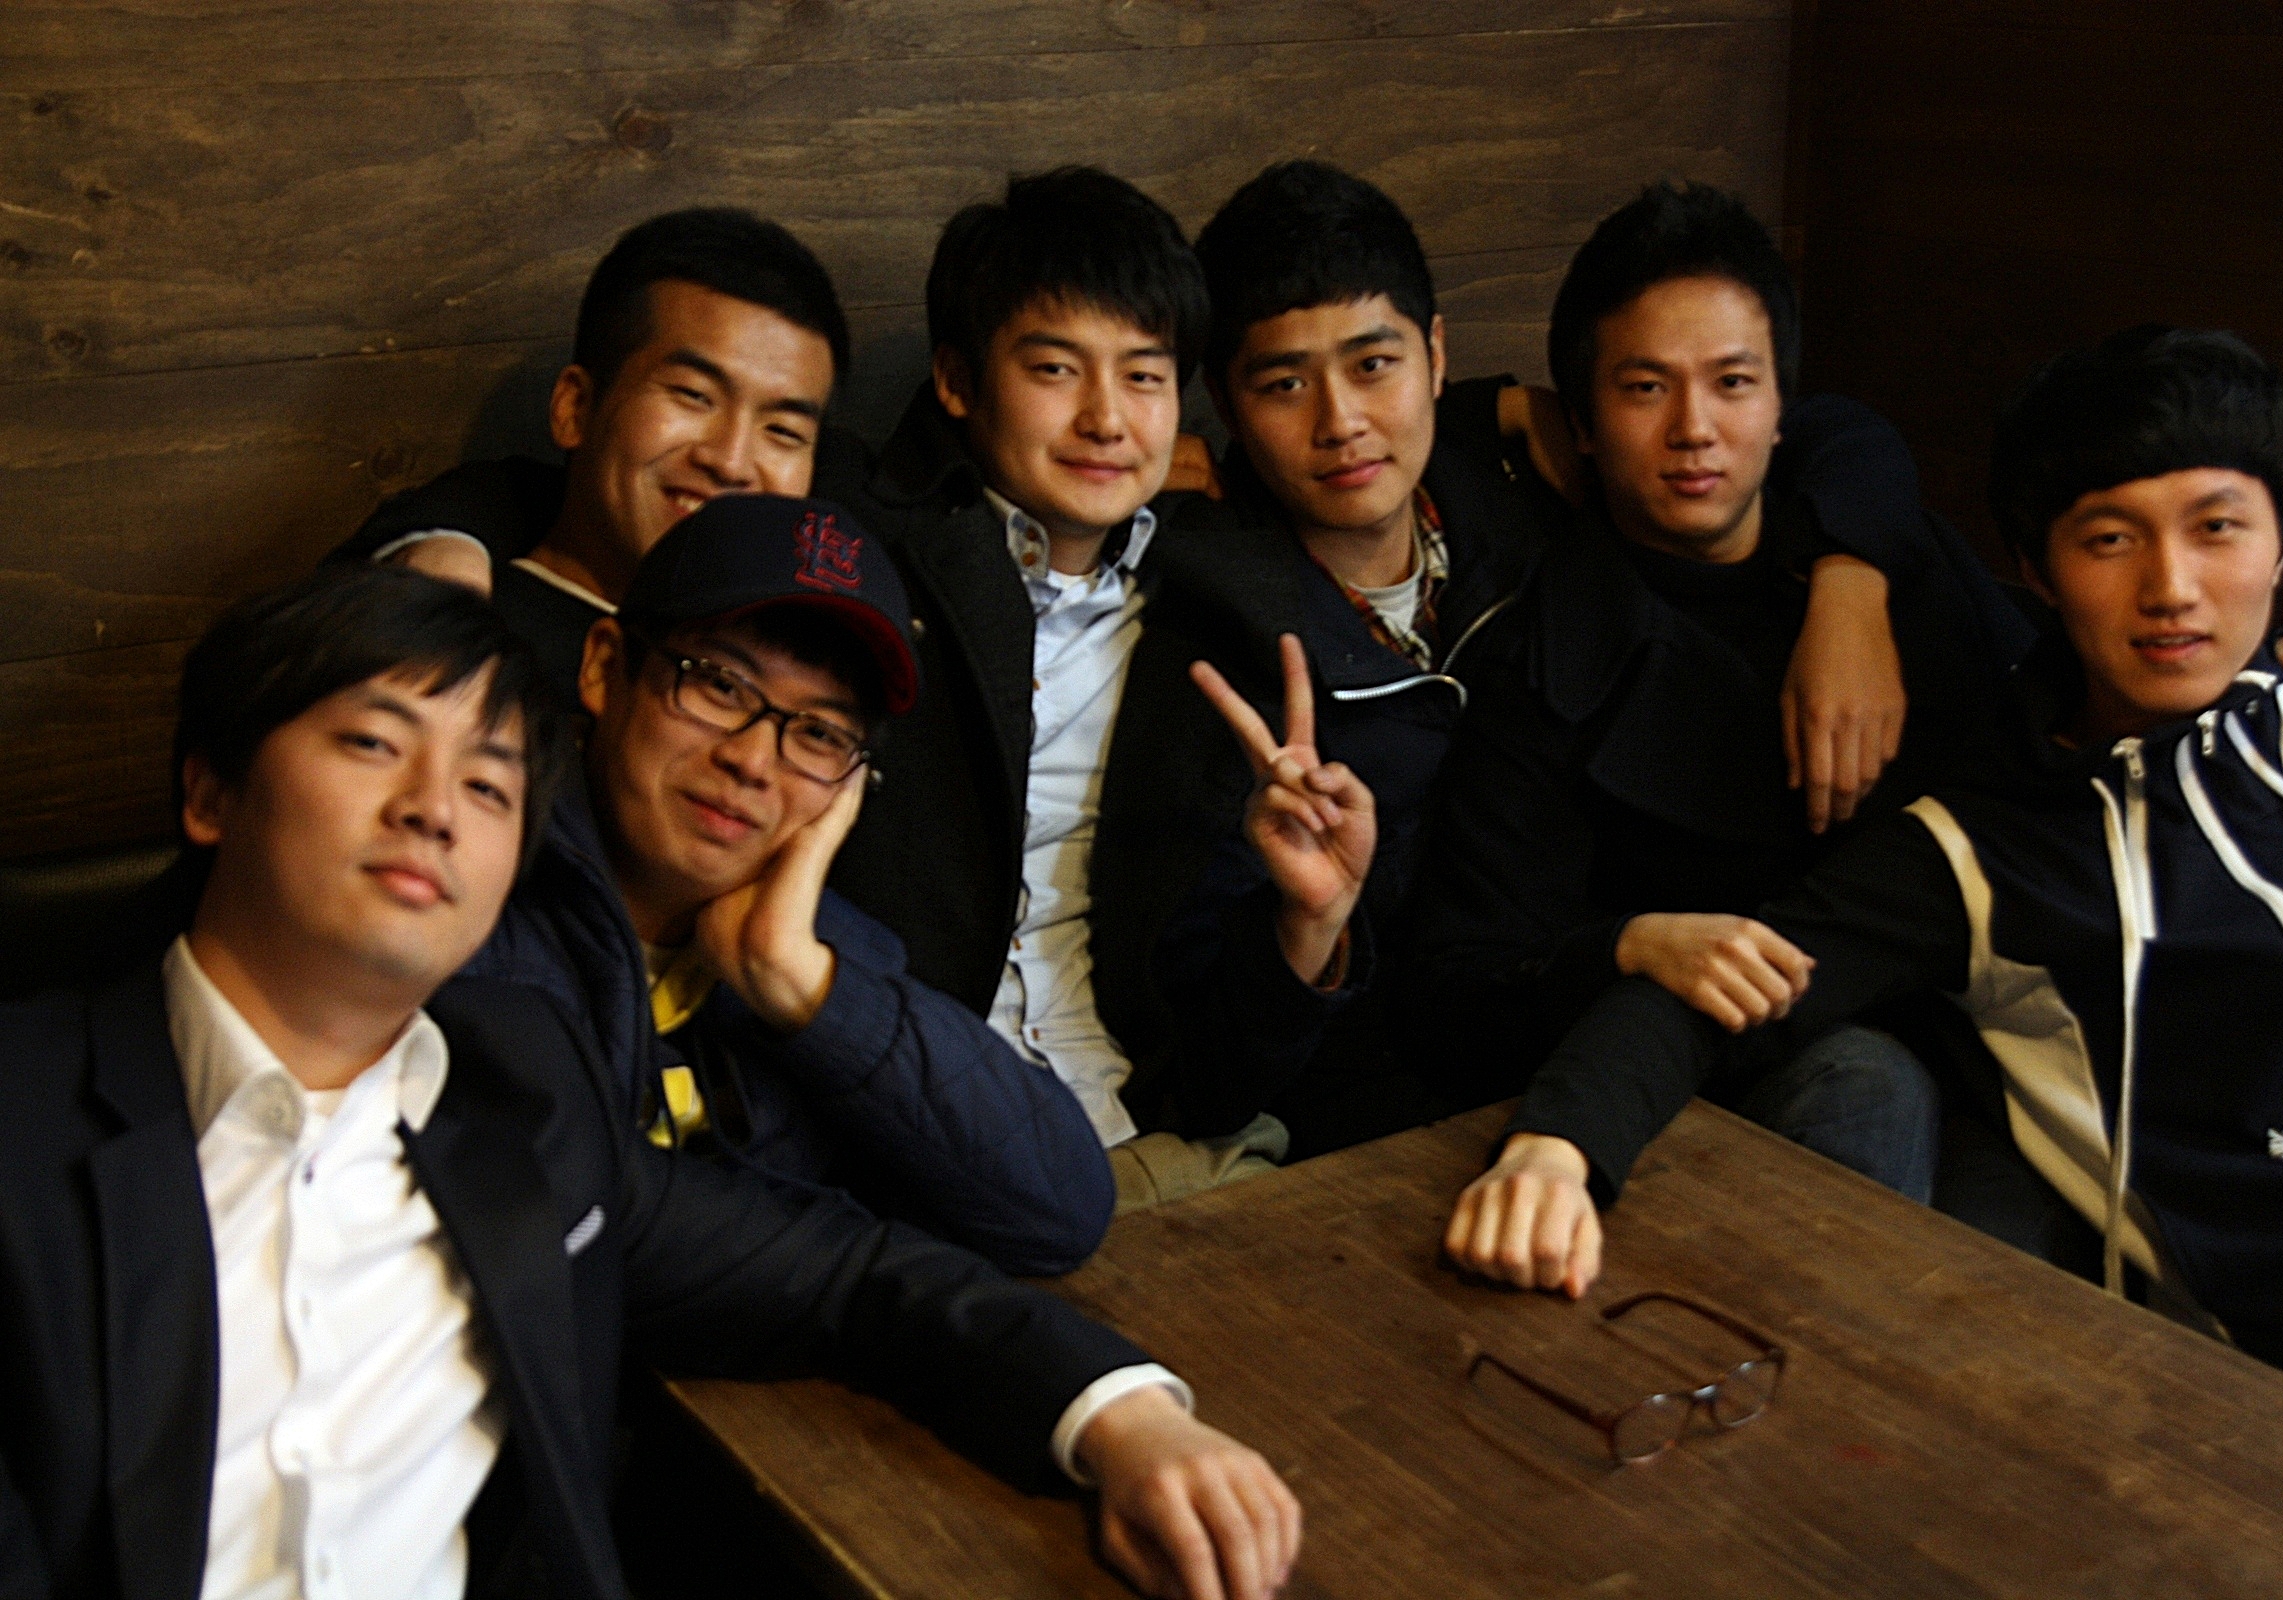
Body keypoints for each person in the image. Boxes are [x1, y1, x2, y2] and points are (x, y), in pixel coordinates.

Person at [0, 565, 1302, 1600]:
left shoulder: (519, 1099)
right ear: (211, 789)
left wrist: (1126, 1418)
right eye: (372, 744)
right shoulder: (33, 1122)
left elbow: (854, 1277)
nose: (436, 807)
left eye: (489, 782)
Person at [1443, 327, 2283, 1426]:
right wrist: (1558, 1151)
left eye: (2217, 528)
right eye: (2110, 540)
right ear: (2037, 571)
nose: (2171, 588)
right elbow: (1723, 986)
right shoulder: (1976, 852)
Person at [1161, 159, 1971, 1158]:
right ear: (1226, 403)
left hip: (1596, 1024)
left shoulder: (1508, 508)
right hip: (1392, 1081)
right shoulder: (1219, 634)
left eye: (1374, 366)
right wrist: (1308, 932)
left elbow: (1828, 428)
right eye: (1285, 384)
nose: (1342, 422)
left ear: (1435, 355)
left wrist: (1853, 582)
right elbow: (1203, 1049)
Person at [461, 492, 1114, 1274]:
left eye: (819, 733)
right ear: (605, 668)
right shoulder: (466, 890)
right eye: (720, 685)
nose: (752, 760)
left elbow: (1062, 1211)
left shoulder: (815, 949)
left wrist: (803, 985)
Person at [827, 166, 1305, 1209]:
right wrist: (460, 540)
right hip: (911, 1153)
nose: (1107, 419)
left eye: (1144, 376)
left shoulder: (1217, 609)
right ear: (958, 380)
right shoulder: (868, 553)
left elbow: (1229, 1046)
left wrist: (1313, 927)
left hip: (1151, 1137)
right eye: (1056, 369)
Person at [326, 207, 871, 701]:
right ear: (575, 407)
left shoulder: (828, 668)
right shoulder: (460, 649)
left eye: (783, 431)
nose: (730, 462)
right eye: (693, 395)